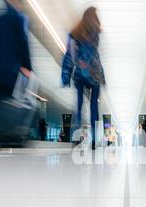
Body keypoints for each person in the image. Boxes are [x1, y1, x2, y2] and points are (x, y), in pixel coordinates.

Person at [0, 0, 32, 148]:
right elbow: (23, 43)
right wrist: (27, 66)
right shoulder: (19, 19)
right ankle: (15, 136)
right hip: (14, 71)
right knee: (17, 102)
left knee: (1, 103)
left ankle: (2, 137)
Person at [61, 7, 106, 150]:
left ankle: (76, 137)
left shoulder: (74, 35)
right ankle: (95, 141)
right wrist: (103, 77)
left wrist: (66, 75)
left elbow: (69, 55)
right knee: (94, 107)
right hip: (94, 74)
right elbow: (96, 58)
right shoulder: (96, 34)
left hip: (80, 74)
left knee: (79, 104)